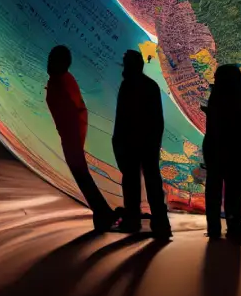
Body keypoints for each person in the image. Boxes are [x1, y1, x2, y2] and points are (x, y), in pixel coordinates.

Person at [45, 45, 118, 232]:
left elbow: (72, 111)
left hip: (71, 137)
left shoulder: (62, 81)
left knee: (82, 176)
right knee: (82, 176)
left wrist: (74, 140)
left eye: (53, 59)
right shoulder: (62, 80)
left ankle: (103, 214)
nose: (49, 62)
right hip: (71, 136)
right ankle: (103, 213)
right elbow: (76, 110)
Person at [112, 49, 172, 238]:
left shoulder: (126, 86)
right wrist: (155, 143)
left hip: (130, 143)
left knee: (131, 181)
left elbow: (121, 118)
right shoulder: (151, 86)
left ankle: (132, 220)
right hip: (148, 143)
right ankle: (161, 223)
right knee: (153, 181)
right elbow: (158, 121)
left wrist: (118, 141)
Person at [202, 64, 241, 239]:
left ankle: (213, 227)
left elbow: (213, 128)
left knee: (213, 189)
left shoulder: (216, 97)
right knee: (234, 190)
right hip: (236, 151)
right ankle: (234, 224)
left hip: (215, 151)